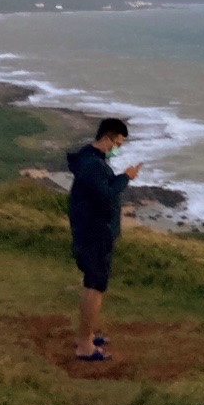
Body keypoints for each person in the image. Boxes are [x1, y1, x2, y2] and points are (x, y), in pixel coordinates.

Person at [67, 118, 140, 361]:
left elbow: (101, 189)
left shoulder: (90, 159)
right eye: (117, 143)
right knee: (95, 286)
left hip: (91, 231)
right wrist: (125, 177)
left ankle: (86, 334)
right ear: (107, 137)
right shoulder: (93, 165)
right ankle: (85, 346)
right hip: (94, 234)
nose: (118, 148)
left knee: (93, 283)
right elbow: (106, 194)